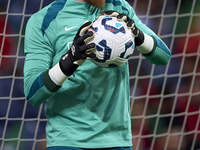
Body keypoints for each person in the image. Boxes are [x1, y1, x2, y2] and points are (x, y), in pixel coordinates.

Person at [23, 0, 171, 149]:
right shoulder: (44, 20)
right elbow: (33, 93)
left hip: (118, 141)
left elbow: (164, 56)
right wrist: (70, 60)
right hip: (68, 141)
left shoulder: (120, 7)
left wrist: (138, 35)